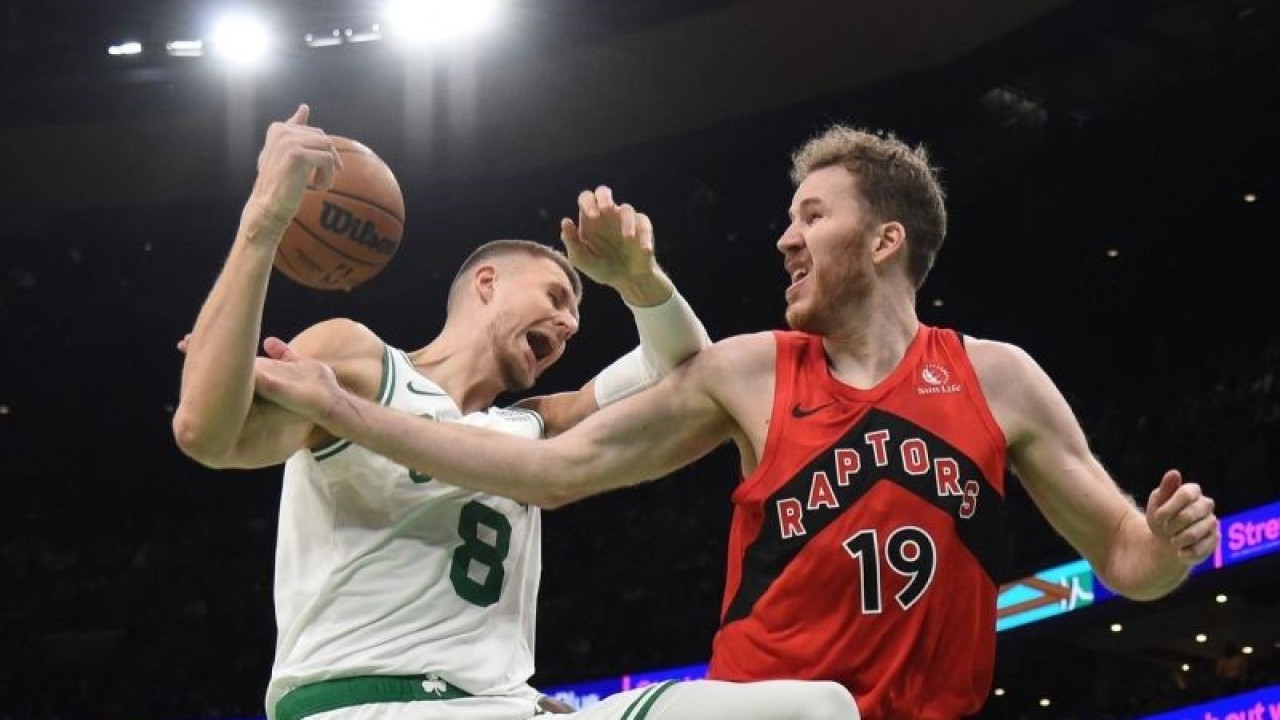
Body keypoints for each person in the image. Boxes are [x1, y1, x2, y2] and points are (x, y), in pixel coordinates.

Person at [251, 123, 1223, 719]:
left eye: (810, 216)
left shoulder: (998, 380)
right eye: (788, 218)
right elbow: (551, 473)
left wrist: (1170, 549)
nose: (785, 238)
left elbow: (1125, 560)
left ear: (884, 241)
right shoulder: (750, 371)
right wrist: (345, 410)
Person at [172, 105, 857, 720]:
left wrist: (638, 279)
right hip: (362, 700)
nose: (569, 323)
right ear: (487, 284)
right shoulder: (360, 363)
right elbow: (206, 434)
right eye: (559, 296)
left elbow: (687, 366)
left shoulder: (533, 427)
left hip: (501, 706)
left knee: (814, 707)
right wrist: (264, 221)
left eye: (576, 312)